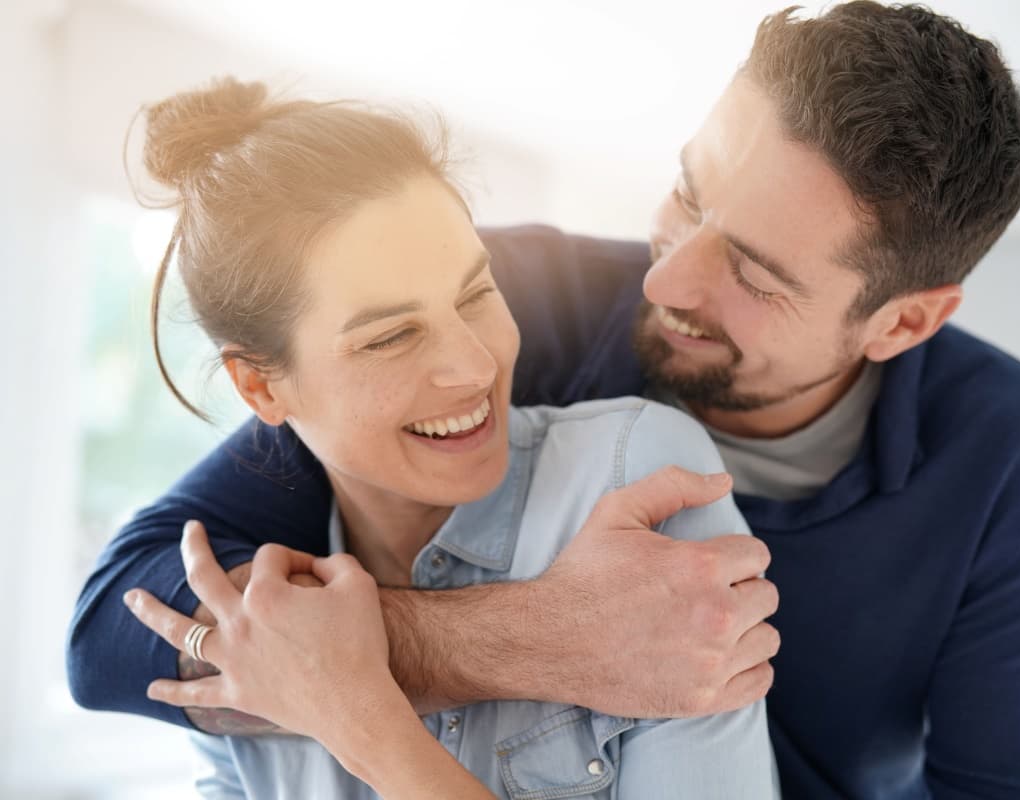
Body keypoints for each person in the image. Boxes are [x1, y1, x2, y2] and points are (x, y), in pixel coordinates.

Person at [68, 3, 1020, 798]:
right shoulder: (497, 306)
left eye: (752, 270)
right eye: (690, 192)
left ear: (902, 323)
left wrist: (360, 676)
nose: (663, 282)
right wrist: (532, 637)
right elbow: (119, 624)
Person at [100, 78, 780, 798]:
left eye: (476, 294)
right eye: (391, 336)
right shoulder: (250, 616)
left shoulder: (631, 477)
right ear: (262, 388)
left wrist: (362, 721)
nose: (477, 366)